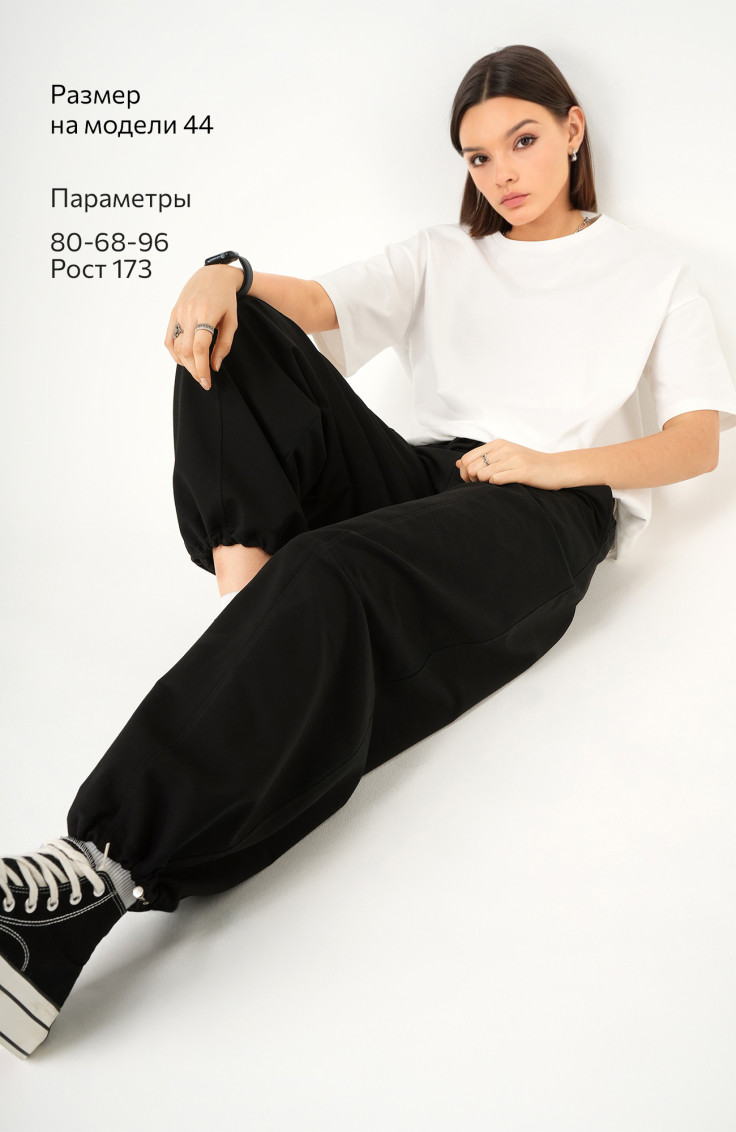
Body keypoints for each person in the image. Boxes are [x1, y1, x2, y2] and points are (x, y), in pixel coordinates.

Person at [2, 43, 735, 1062]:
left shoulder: (653, 271)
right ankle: (255, 626)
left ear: (572, 130)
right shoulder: (446, 253)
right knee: (238, 335)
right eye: (478, 157)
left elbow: (696, 443)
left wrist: (548, 465)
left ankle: (97, 864)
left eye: (523, 140)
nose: (503, 173)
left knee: (330, 571)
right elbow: (308, 307)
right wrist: (219, 273)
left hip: (543, 509)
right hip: (422, 474)